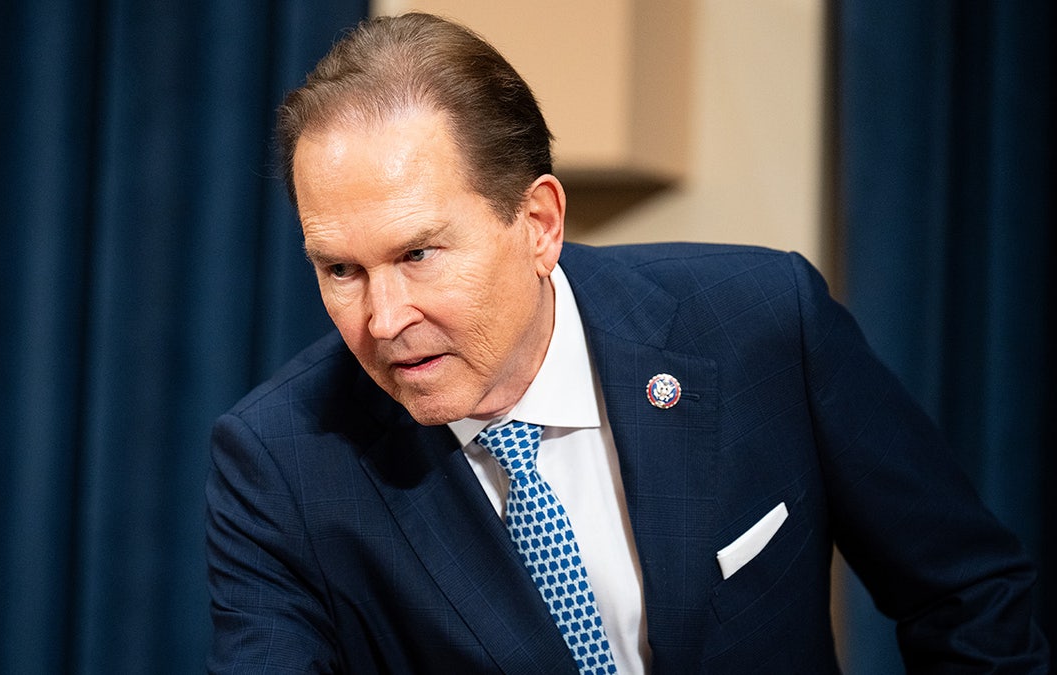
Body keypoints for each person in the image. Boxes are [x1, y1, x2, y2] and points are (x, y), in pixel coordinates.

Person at [205, 12, 1049, 674]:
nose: (382, 318)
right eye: (342, 270)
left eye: (418, 254)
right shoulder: (280, 462)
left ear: (537, 223)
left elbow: (967, 597)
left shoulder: (760, 324)